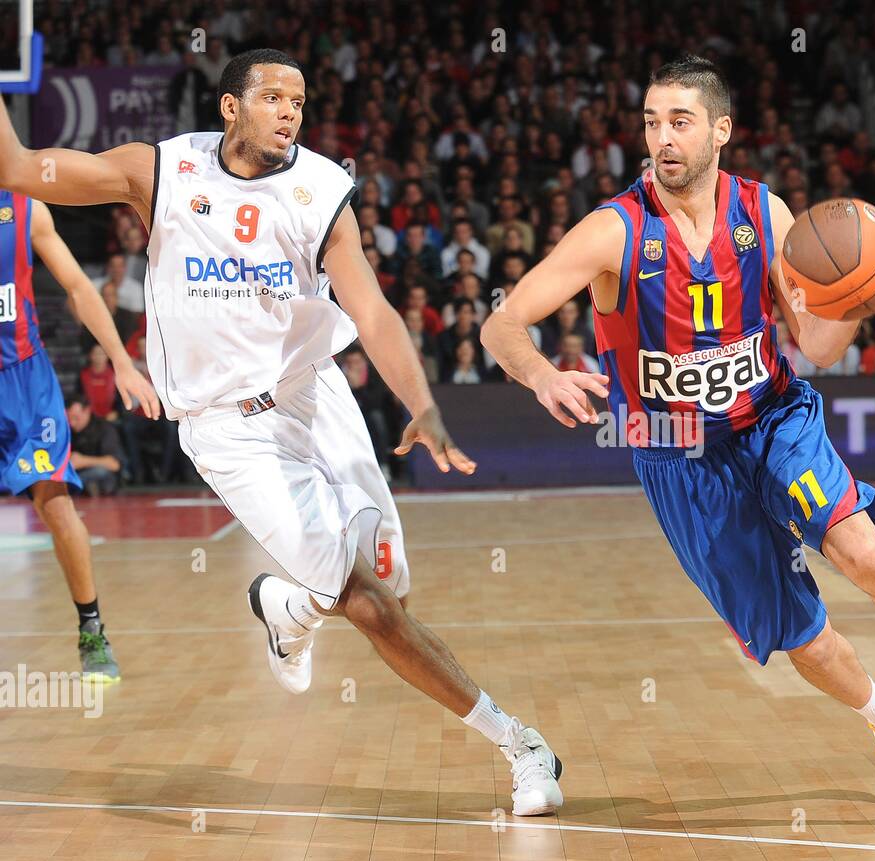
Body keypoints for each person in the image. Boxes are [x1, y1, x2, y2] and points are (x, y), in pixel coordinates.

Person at [483, 55, 875, 808]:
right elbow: (501, 322)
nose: (661, 138)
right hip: (680, 457)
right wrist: (540, 373)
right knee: (804, 638)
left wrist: (859, 299)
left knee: (865, 550)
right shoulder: (613, 231)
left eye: (680, 121)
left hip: (773, 418)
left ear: (721, 130)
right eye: (651, 122)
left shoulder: (766, 214)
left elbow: (818, 349)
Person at [0, 49, 562, 816]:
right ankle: (523, 745)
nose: (289, 112)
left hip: (314, 393)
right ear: (230, 107)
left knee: (388, 580)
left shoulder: (322, 190)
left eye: (298, 100)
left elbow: (372, 312)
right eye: (271, 97)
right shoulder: (159, 170)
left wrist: (421, 405)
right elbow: (22, 168)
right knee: (368, 604)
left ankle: (287, 609)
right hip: (226, 431)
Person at [0, 192, 158, 681]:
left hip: (25, 382)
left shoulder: (25, 210)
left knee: (55, 504)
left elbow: (77, 287)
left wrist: (121, 360)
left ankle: (91, 629)